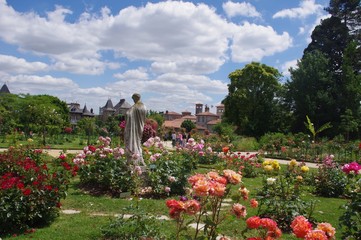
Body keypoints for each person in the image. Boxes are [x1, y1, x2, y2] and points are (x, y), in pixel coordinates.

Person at [124, 93, 147, 166]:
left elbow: (128, 114)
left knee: (133, 142)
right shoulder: (144, 107)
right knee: (137, 142)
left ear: (136, 98)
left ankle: (134, 159)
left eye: (133, 99)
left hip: (133, 129)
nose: (133, 100)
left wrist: (127, 113)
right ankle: (139, 159)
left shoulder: (136, 107)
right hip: (140, 127)